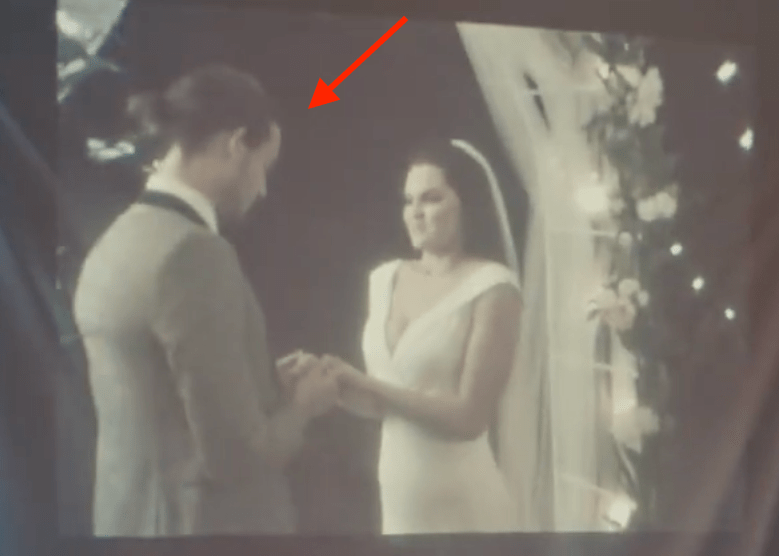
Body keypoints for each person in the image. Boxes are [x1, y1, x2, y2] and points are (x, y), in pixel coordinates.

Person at [72, 65, 339, 537]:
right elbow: (237, 460)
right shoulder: (192, 253)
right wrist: (304, 406)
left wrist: (261, 383)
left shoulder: (114, 242)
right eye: (263, 167)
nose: (262, 188)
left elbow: (159, 396)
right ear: (235, 145)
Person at [319, 138, 524, 534]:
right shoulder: (384, 278)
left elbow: (470, 418)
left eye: (431, 199)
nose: (415, 212)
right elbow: (384, 407)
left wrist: (366, 384)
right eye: (408, 200)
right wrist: (332, 384)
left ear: (465, 204)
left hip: (465, 506)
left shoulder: (494, 288)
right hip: (400, 504)